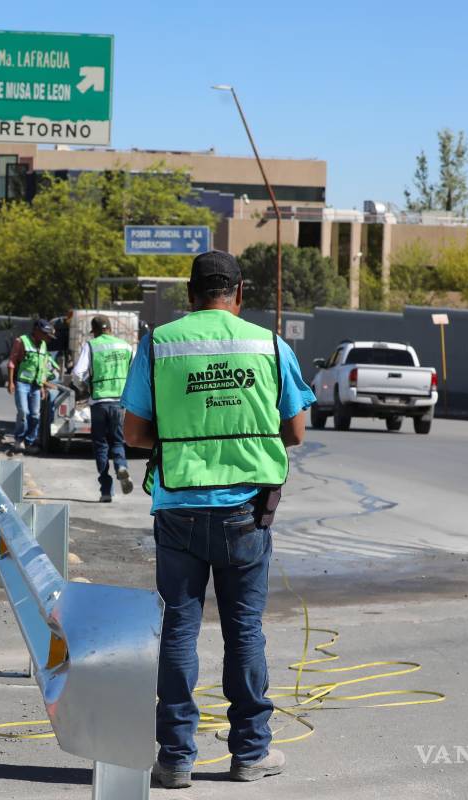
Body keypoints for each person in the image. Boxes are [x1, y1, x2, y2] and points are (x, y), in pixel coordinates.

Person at [121, 250, 314, 789]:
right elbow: (296, 432)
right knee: (244, 630)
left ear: (190, 295)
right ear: (239, 293)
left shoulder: (159, 344)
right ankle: (251, 753)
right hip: (246, 511)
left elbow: (133, 434)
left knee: (178, 630)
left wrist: (184, 440)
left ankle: (174, 758)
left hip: (179, 508)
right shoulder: (268, 345)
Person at [71, 315, 134, 502]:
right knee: (118, 440)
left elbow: (77, 373)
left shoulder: (91, 346)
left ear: (95, 331)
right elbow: (137, 372)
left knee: (101, 444)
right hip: (119, 402)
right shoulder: (126, 346)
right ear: (110, 329)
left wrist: (84, 388)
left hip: (98, 402)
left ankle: (106, 491)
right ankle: (121, 466)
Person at [6, 318, 55, 455]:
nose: (46, 336)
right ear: (36, 330)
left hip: (36, 385)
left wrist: (43, 386)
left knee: (35, 415)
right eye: (44, 333)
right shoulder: (21, 341)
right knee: (23, 412)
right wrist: (10, 382)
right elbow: (12, 362)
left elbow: (43, 367)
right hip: (22, 383)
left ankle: (30, 441)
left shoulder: (44, 345)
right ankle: (19, 440)